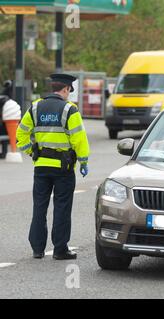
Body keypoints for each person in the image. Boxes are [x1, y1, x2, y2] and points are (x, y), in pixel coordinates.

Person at [16, 74, 90, 260]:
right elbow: (79, 138)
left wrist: (31, 153)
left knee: (39, 208)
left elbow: (21, 133)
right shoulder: (69, 110)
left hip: (41, 167)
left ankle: (37, 249)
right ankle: (60, 249)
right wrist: (83, 161)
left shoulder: (35, 107)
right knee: (62, 208)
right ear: (65, 89)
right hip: (63, 169)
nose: (69, 95)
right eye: (69, 91)